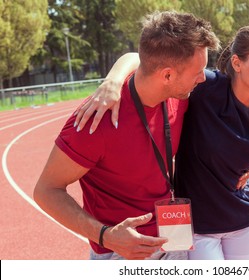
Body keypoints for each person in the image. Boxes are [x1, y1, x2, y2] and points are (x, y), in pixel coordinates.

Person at [75, 22, 249, 260]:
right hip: (197, 225)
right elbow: (144, 59)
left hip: (244, 220)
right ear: (237, 63)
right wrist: (113, 80)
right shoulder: (204, 87)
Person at [33, 11, 220, 260]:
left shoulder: (176, 96)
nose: (202, 78)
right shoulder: (96, 121)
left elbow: (135, 57)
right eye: (198, 71)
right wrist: (105, 235)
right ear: (167, 75)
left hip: (173, 241)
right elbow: (46, 190)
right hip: (121, 254)